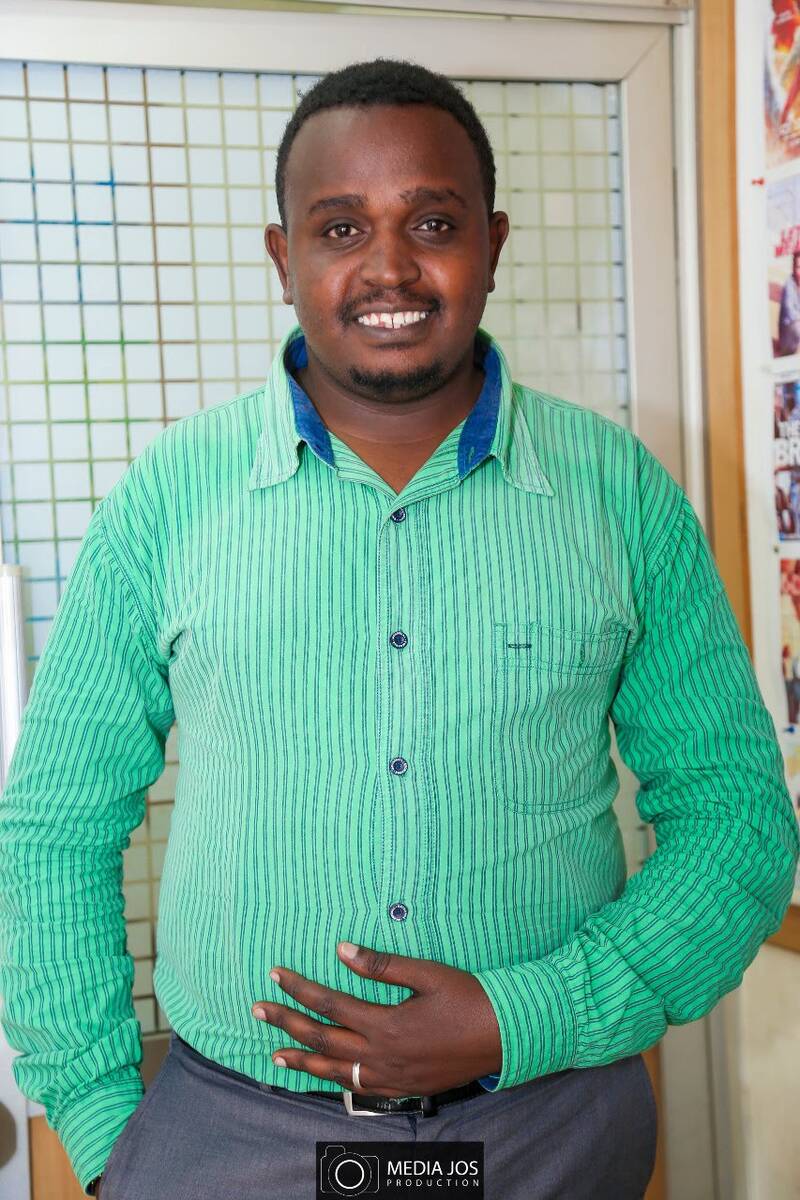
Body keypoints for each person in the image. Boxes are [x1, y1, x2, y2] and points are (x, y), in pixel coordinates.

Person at [0, 58, 797, 1200]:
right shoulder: (168, 500)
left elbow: (737, 823)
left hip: (549, 1130)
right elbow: (53, 827)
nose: (387, 267)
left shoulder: (618, 496)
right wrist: (102, 1126)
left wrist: (523, 1016)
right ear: (282, 257)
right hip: (235, 1138)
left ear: (493, 244)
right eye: (339, 228)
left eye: (432, 222)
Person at [778, 250, 800, 355]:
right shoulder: (789, 285)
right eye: (798, 267)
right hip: (788, 332)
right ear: (793, 268)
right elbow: (790, 312)